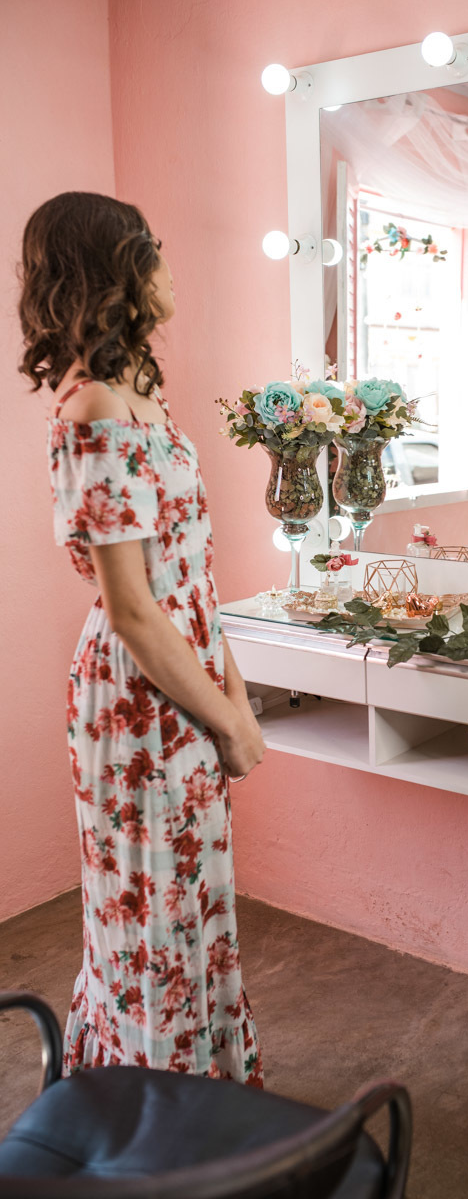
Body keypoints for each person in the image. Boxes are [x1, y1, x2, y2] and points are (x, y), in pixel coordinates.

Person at [18, 192, 265, 1084]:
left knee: (192, 902)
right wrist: (230, 723)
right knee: (150, 915)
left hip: (183, 669)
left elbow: (191, 580)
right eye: (151, 249)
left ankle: (205, 1100)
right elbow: (132, 608)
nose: (166, 266)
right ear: (114, 269)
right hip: (135, 696)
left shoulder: (141, 395)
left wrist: (234, 695)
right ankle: (152, 1115)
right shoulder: (93, 411)